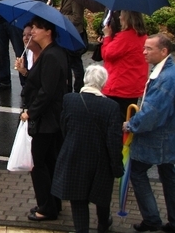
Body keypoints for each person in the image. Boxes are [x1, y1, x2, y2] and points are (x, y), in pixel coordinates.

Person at [124, 34, 175, 233]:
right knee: (168, 175)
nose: (144, 52)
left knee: (136, 172)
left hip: (158, 138)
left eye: (149, 49)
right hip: (169, 136)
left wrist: (130, 125)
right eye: (144, 48)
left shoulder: (165, 78)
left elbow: (152, 114)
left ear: (163, 51)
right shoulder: (173, 71)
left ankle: (152, 218)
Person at [51, 65, 124, 233]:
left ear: (85, 80)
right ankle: (103, 225)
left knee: (78, 200)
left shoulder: (69, 99)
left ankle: (81, 229)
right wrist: (117, 166)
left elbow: (64, 126)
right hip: (101, 161)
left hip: (74, 156)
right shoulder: (111, 107)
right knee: (102, 197)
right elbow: (114, 141)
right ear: (104, 83)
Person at [17, 16, 67, 222]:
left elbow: (47, 92)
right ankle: (52, 202)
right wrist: (24, 72)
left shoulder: (52, 56)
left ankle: (47, 208)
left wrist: (31, 112)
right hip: (48, 118)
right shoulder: (48, 54)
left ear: (48, 31)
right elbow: (40, 83)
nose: (33, 31)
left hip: (47, 120)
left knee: (39, 163)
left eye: (37, 28)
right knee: (49, 161)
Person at [100, 10, 148, 117]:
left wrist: (107, 37)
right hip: (134, 85)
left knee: (116, 121)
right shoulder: (142, 36)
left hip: (119, 87)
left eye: (121, 15)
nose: (120, 17)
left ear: (127, 18)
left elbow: (107, 54)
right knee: (128, 118)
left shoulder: (125, 37)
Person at [60, 0, 87, 93]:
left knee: (75, 64)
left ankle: (78, 89)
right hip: (67, 34)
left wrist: (61, 16)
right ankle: (68, 89)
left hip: (74, 35)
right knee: (67, 62)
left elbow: (77, 18)